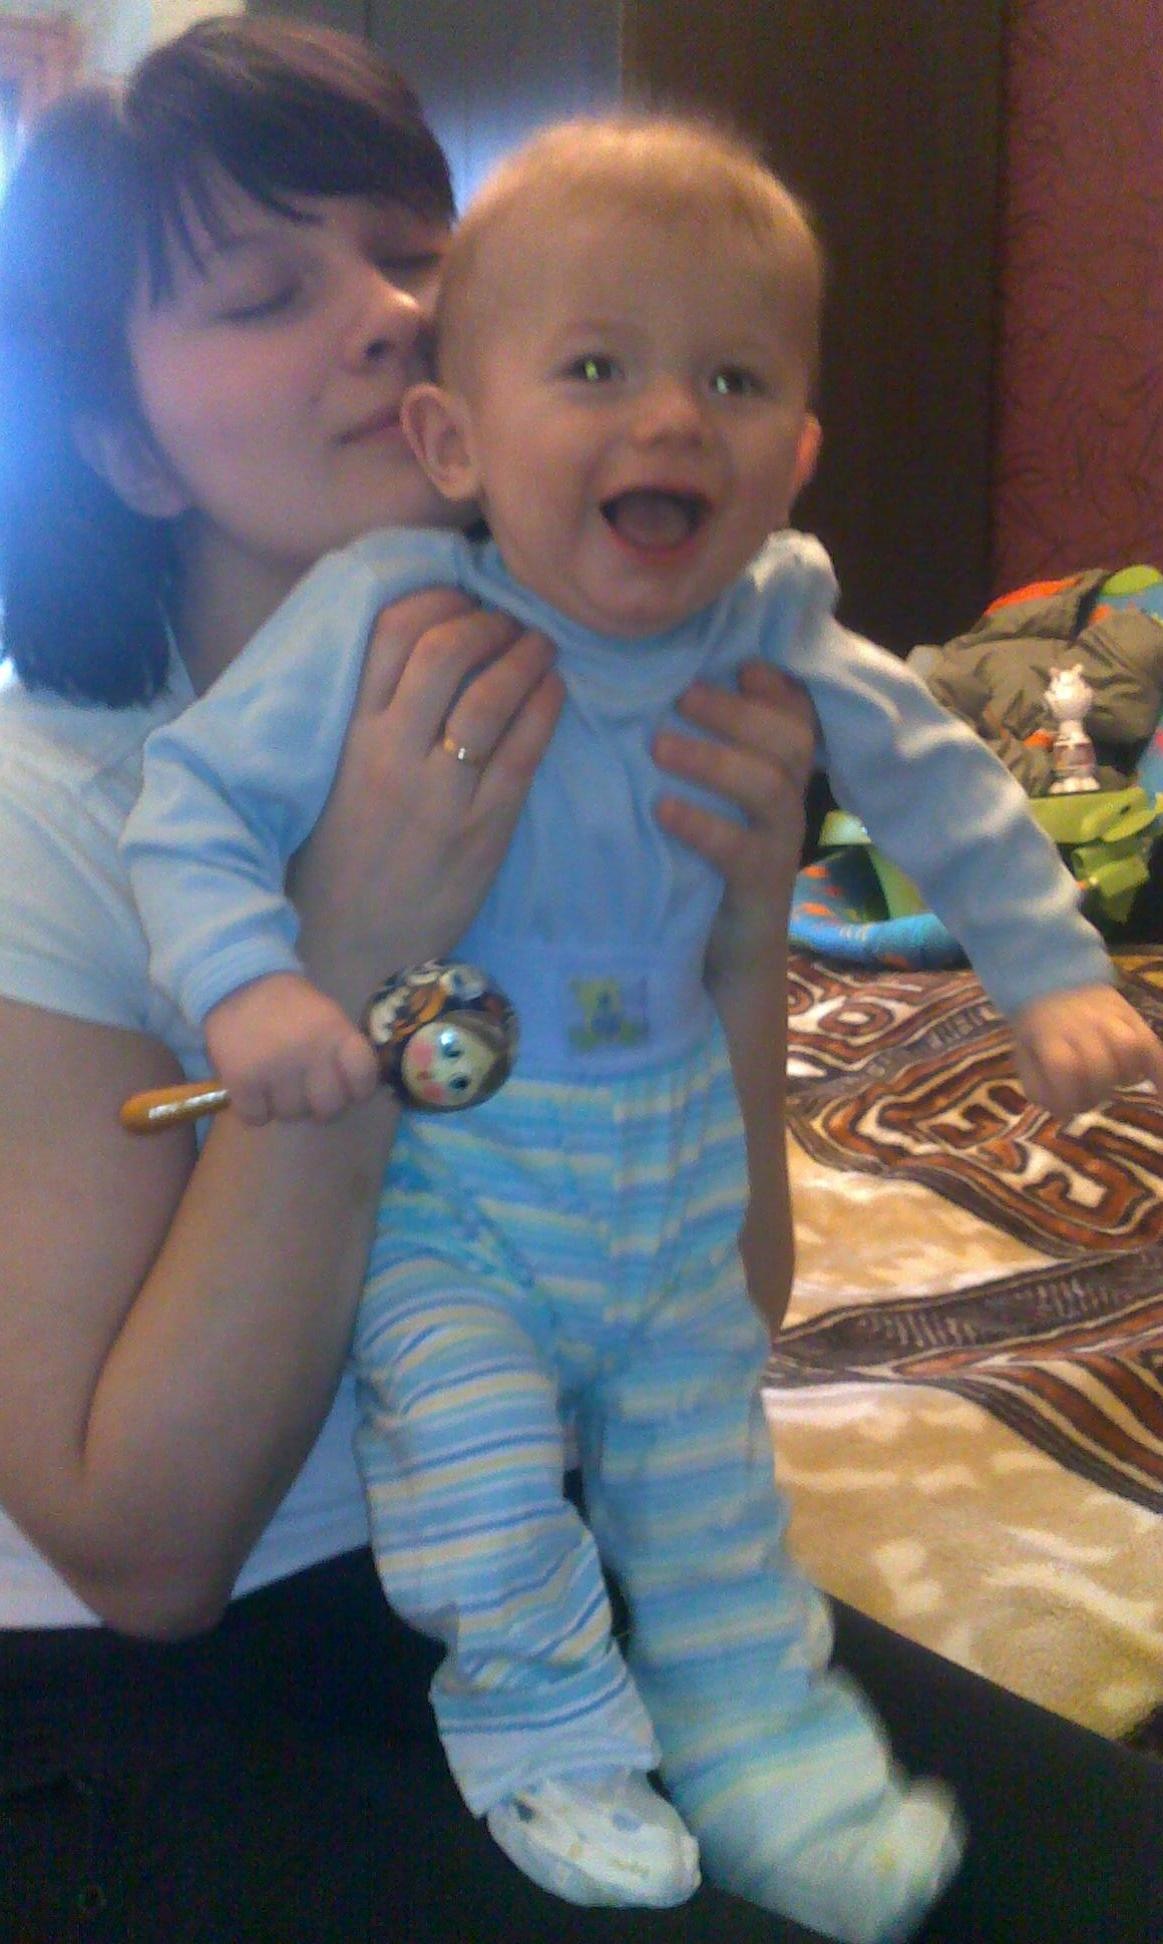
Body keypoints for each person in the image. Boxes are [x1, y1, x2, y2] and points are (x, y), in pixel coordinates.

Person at [0, 24, 1158, 1944]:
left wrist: (739, 924)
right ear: (120, 438)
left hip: (570, 1530)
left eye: (415, 256)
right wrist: (357, 946)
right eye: (264, 294)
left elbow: (717, 1295)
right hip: (167, 1682)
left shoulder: (630, 674)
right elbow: (145, 1553)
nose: (386, 315)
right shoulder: (53, 810)